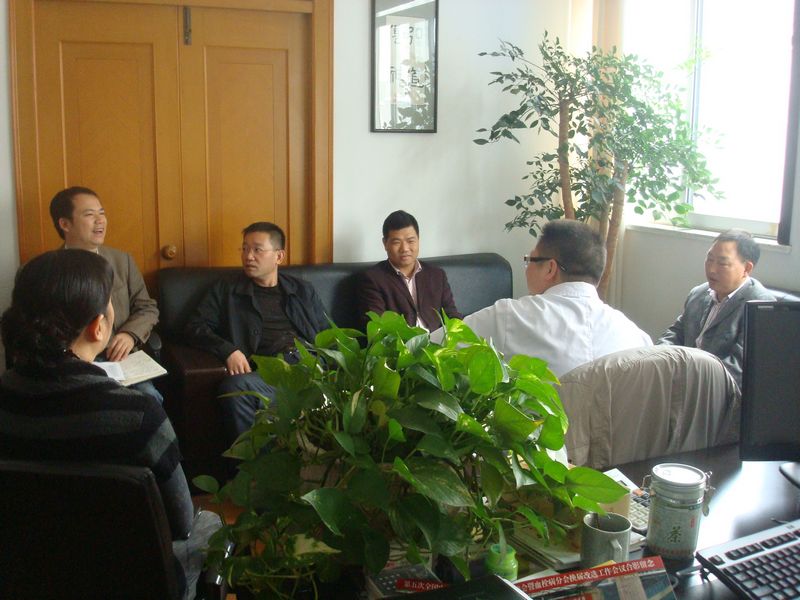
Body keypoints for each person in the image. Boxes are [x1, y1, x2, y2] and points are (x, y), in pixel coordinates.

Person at [0, 250, 220, 600]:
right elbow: (180, 522)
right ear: (98, 326)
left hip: (25, 574)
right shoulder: (139, 415)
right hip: (131, 578)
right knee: (211, 523)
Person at [433, 220, 652, 377]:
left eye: (530, 260)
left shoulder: (509, 317)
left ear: (550, 268)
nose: (527, 268)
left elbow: (430, 347)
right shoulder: (637, 337)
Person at [184, 222, 329, 445]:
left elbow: (327, 333)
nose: (248, 256)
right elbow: (195, 326)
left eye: (257, 249)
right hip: (270, 372)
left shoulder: (302, 290)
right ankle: (253, 462)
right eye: (244, 249)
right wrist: (228, 350)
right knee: (236, 389)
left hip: (310, 366)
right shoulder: (226, 290)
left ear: (279, 256)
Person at [49, 186, 162, 402]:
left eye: (102, 213)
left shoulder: (122, 261)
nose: (100, 221)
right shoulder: (45, 271)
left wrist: (129, 335)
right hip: (68, 363)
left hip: (118, 359)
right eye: (89, 215)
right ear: (65, 224)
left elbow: (147, 307)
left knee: (149, 398)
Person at [657, 229, 775, 389]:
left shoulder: (761, 306)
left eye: (722, 263)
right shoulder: (698, 293)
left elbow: (738, 368)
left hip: (718, 391)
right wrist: (660, 358)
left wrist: (687, 378)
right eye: (709, 259)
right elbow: (676, 332)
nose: (712, 269)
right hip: (682, 381)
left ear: (746, 268)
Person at [358, 210, 462, 330]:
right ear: (385, 243)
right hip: (401, 341)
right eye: (397, 242)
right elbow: (377, 326)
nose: (405, 248)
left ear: (418, 240)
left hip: (439, 340)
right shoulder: (373, 279)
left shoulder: (437, 275)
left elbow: (451, 314)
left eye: (411, 241)